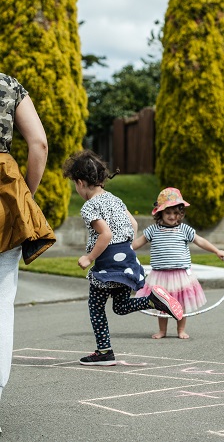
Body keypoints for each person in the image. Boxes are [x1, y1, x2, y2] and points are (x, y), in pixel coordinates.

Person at [62, 150, 183, 367]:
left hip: (108, 264)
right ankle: (152, 300)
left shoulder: (90, 206)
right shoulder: (115, 200)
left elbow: (105, 234)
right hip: (126, 259)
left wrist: (89, 257)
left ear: (80, 182)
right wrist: (125, 250)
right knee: (120, 305)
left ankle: (104, 352)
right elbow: (134, 225)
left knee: (96, 307)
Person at [0, 72, 55, 434]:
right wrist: (26, 198)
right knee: (1, 302)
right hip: (4, 191)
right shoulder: (7, 84)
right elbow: (39, 144)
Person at [133, 187, 224, 339]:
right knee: (160, 302)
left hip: (180, 274)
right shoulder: (153, 230)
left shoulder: (184, 229)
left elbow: (200, 240)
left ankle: (180, 330)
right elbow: (138, 242)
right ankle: (162, 331)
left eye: (176, 213)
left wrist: (216, 250)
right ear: (160, 213)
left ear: (181, 214)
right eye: (168, 213)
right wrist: (124, 251)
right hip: (160, 274)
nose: (172, 216)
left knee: (181, 303)